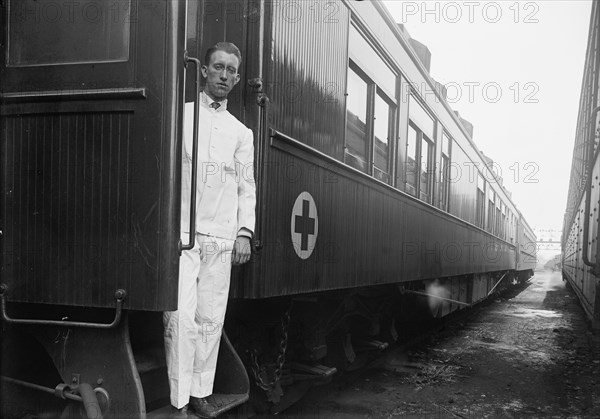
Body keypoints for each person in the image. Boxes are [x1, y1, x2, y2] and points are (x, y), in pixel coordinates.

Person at [163, 42, 255, 418]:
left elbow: (246, 185)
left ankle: (201, 390)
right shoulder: (180, 115)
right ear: (203, 70)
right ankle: (179, 399)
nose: (224, 75)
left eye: (231, 70)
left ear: (236, 77)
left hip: (220, 237)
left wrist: (244, 233)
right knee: (180, 317)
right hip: (182, 236)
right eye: (218, 67)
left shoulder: (241, 132)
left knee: (210, 318)